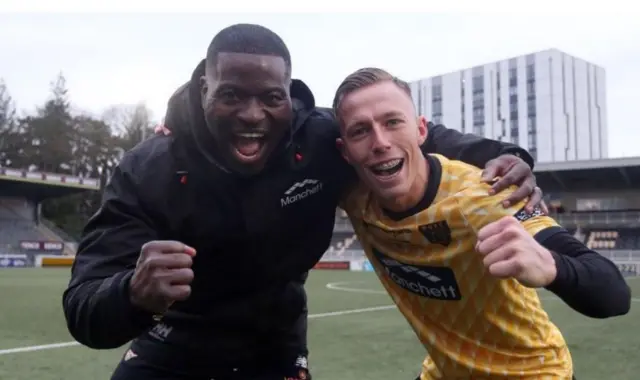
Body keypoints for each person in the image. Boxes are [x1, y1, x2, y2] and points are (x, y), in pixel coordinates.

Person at [63, 24, 543, 380]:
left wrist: (505, 156)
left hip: (275, 342)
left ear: (288, 95)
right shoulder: (148, 169)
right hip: (175, 339)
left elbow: (411, 135)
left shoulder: (319, 139)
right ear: (204, 90)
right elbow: (84, 309)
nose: (253, 116)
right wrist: (131, 292)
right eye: (231, 95)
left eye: (270, 98)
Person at [333, 67, 631, 380]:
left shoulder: (483, 194)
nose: (380, 142)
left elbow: (613, 294)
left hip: (530, 373)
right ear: (345, 152)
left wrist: (552, 265)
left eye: (393, 122)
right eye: (360, 131)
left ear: (421, 131)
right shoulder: (354, 196)